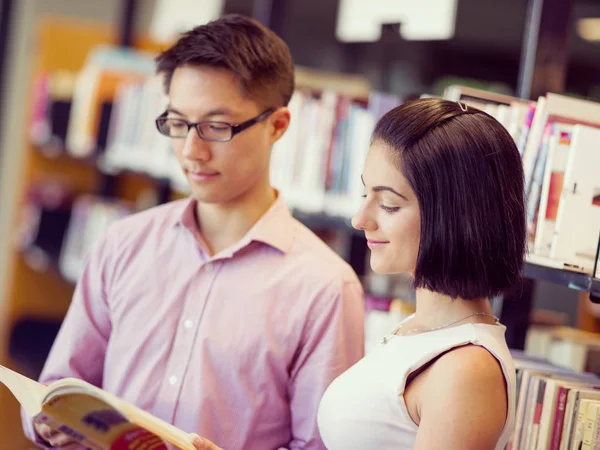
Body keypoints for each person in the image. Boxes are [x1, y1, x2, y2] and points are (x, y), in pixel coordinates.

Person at [23, 14, 365, 450]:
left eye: (217, 127)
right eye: (178, 123)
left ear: (278, 126)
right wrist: (47, 422)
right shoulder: (123, 243)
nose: (190, 151)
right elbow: (58, 385)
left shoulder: (326, 288)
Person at [315, 98, 525, 450]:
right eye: (366, 193)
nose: (359, 219)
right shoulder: (419, 330)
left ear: (455, 215)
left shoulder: (466, 368)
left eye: (388, 204)